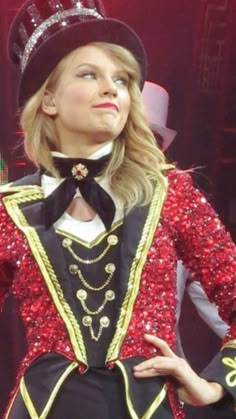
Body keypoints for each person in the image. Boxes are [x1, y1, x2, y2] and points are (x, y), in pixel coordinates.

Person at [2, 0, 236, 418]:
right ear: (50, 100)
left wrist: (217, 384)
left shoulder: (170, 193)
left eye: (123, 79)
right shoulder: (11, 209)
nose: (113, 88)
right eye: (90, 74)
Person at [141, 80, 229, 357]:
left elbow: (225, 305)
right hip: (72, 388)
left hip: (157, 389)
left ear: (159, 151)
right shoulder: (65, 208)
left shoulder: (180, 214)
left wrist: (222, 383)